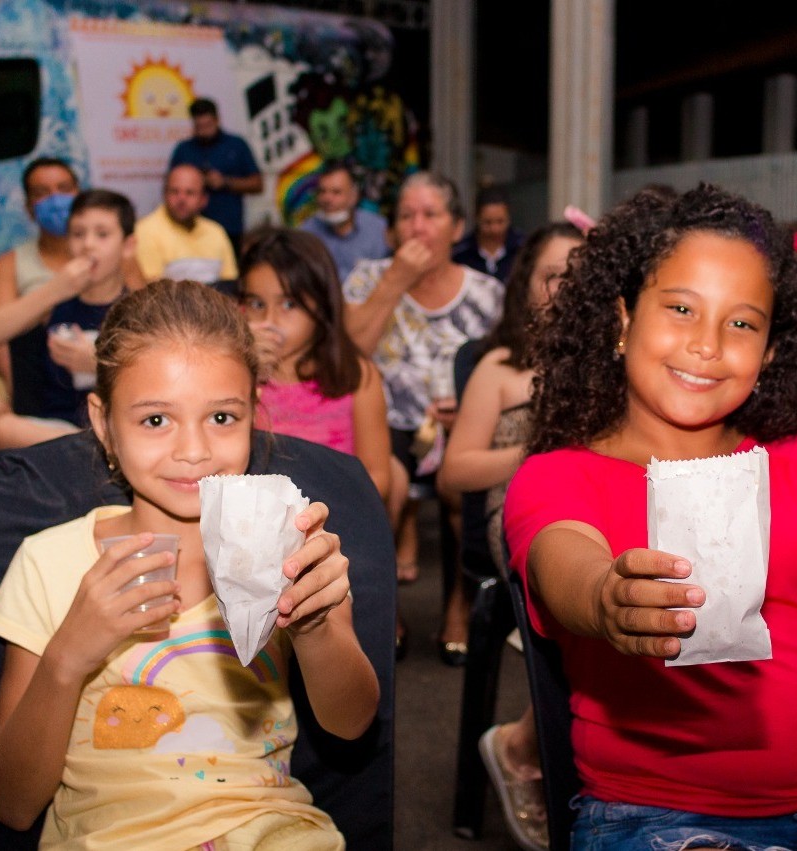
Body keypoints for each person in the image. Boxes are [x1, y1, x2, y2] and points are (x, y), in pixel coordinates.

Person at [504, 184, 797, 850]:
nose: (706, 344)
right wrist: (605, 595)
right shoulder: (559, 474)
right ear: (621, 319)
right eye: (679, 308)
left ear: (767, 349)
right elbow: (564, 559)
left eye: (741, 322)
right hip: (661, 821)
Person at [0, 279, 378, 848]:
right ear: (102, 423)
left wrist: (314, 625)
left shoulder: (286, 547)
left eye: (221, 418)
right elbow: (12, 805)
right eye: (155, 420)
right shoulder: (51, 562)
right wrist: (68, 656)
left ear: (252, 415)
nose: (192, 450)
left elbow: (351, 724)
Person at [438, 221, 584, 850]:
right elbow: (454, 473)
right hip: (519, 512)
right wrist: (536, 452)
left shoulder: (616, 358)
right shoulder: (500, 367)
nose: (566, 287)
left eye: (579, 273)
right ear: (526, 284)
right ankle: (528, 746)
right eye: (553, 274)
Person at [343, 171, 504, 664]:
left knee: (463, 488)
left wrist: (471, 406)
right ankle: (384, 610)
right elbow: (349, 356)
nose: (417, 227)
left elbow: (499, 368)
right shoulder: (369, 278)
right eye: (406, 216)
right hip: (384, 423)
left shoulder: (486, 293)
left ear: (456, 228)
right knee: (381, 486)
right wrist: (396, 280)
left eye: (430, 215)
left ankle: (457, 607)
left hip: (460, 425)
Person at [0, 190, 135, 449]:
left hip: (114, 426)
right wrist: (56, 289)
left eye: (102, 234)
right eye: (78, 234)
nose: (88, 244)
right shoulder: (54, 301)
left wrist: (97, 365)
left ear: (128, 246)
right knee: (2, 428)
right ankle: (88, 450)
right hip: (55, 427)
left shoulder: (136, 308)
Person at [237, 227, 392, 501]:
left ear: (321, 306)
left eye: (288, 305)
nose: (270, 319)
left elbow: (378, 476)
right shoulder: (234, 372)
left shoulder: (356, 375)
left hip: (336, 519)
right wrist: (246, 371)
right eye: (257, 304)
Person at [169, 98, 263, 255]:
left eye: (208, 125)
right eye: (199, 126)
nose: (203, 131)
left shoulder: (236, 145)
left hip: (228, 228)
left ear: (217, 120)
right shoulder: (184, 149)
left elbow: (258, 184)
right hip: (188, 230)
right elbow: (169, 185)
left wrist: (225, 182)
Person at [134, 164, 237, 284]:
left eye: (190, 193)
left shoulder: (216, 231)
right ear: (164, 195)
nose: (181, 199)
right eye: (174, 191)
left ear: (203, 200)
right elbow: (153, 292)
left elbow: (229, 283)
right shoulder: (145, 230)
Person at [299, 163, 390, 281]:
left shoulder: (377, 228)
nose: (327, 199)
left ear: (353, 196)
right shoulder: (307, 232)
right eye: (322, 191)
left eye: (336, 192)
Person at [453, 187, 523, 282]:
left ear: (509, 218)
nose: (494, 229)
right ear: (476, 218)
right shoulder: (460, 253)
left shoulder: (523, 249)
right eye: (487, 222)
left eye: (500, 221)